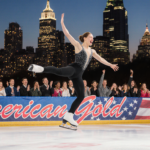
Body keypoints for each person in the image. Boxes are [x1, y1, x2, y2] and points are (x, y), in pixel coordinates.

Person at [27, 13, 119, 130]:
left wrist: (110, 64)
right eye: (90, 37)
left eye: (93, 37)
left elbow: (101, 59)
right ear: (85, 38)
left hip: (79, 75)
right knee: (59, 71)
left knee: (81, 96)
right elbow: (68, 34)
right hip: (74, 69)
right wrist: (62, 23)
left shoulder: (92, 51)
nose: (92, 39)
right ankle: (39, 68)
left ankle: (68, 116)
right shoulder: (78, 46)